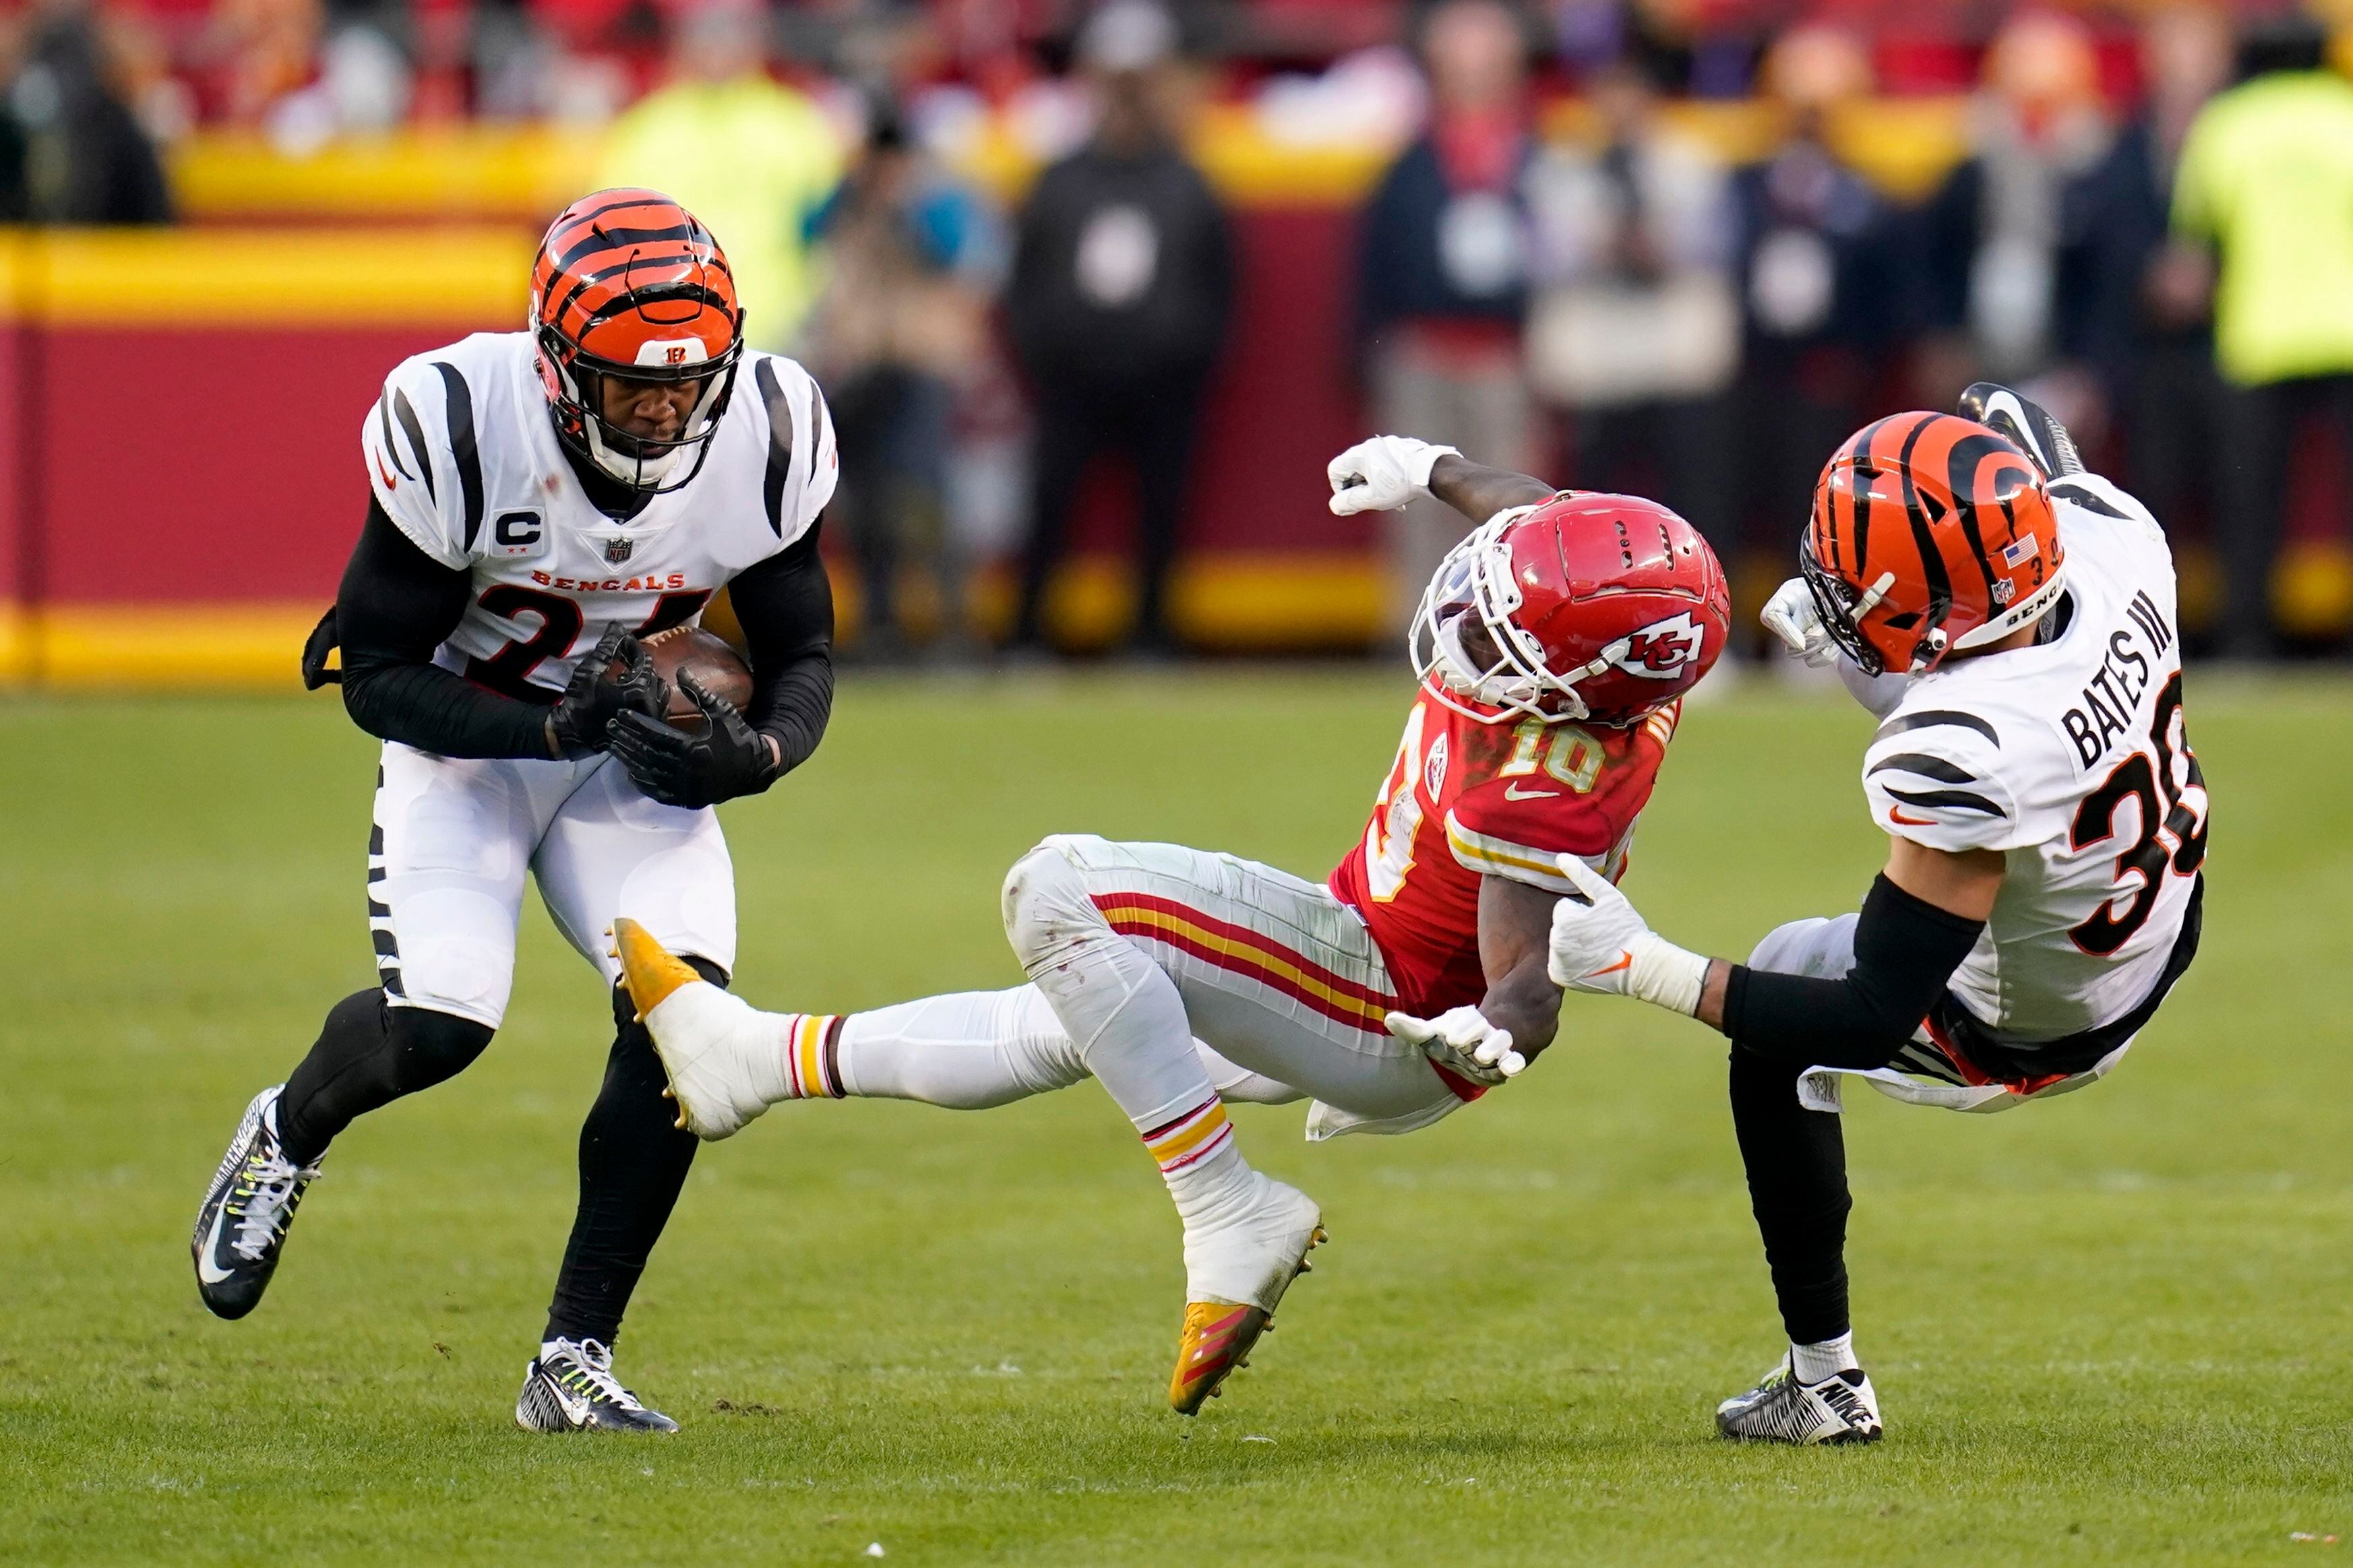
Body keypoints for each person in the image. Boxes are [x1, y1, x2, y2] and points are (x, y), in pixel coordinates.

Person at [609, 433, 1729, 1414]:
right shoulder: (1602, 621)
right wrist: (1432, 465)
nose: (1471, 632)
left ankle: (1228, 1206)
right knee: (1082, 1010)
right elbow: (1537, 518)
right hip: (1364, 939)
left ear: (1586, 687)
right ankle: (753, 1059)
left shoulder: (1544, 768)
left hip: (1389, 1005)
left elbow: (1528, 979)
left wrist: (1504, 1025)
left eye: (1505, 641)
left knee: (1059, 892)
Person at [189, 191, 841, 1435]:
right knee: (441, 1025)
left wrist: (755, 755)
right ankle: (285, 1128)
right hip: (472, 745)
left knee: (682, 1032)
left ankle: (571, 1358)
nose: (662, 408)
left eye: (687, 380)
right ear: (554, 366)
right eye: (627, 382)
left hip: (624, 762)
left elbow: (803, 650)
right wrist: (550, 727)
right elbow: (376, 675)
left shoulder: (764, 423)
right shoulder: (459, 421)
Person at [1542, 386, 2207, 1444]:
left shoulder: (1961, 752)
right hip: (2158, 921)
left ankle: (1822, 1383)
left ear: (1938, 609)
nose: (1831, 593)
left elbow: (1866, 1013)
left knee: (1776, 1010)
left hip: (2035, 1024)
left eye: (1856, 583)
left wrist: (1642, 964)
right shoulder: (2114, 543)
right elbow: (2032, 434)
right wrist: (1986, 421)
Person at [1001, 0, 1234, 657]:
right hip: (1071, 378)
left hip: (1162, 381)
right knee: (1049, 508)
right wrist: (1046, 353)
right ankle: (1028, 633)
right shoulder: (1060, 179)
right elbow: (1026, 278)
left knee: (1161, 512)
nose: (1127, 99)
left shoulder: (1186, 181)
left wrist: (1185, 355)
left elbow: (1218, 286)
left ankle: (1151, 634)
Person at [1354, 0, 1544, 635]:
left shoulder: (1532, 154)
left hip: (1500, 351)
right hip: (1422, 348)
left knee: (1509, 503)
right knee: (1412, 499)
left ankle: (1502, 630)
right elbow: (1376, 259)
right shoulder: (1410, 158)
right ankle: (1415, 628)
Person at [2170, 18, 2353, 657]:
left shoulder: (2227, 124)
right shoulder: (2344, 114)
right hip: (2344, 329)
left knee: (2250, 500)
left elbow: (2194, 240)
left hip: (2258, 333)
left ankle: (2248, 639)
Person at [804, 95, 1002, 660]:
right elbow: (808, 229)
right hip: (861, 362)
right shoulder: (850, 198)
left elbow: (961, 256)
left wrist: (909, 201)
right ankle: (880, 622)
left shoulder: (941, 197)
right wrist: (855, 188)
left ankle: (954, 627)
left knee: (925, 498)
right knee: (862, 501)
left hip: (922, 363)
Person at [1523, 55, 1739, 560]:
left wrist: (1663, 246)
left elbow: (1724, 247)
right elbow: (1538, 258)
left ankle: (1711, 612)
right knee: (1592, 510)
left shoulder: (1690, 163)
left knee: (1695, 500)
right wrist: (1595, 247)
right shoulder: (1561, 169)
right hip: (1600, 365)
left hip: (1676, 359)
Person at [2056, 4, 2233, 584]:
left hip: (2229, 342)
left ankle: (2245, 633)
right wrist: (2150, 275)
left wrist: (2213, 273)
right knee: (2148, 496)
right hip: (2146, 348)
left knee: (2241, 486)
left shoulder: (2242, 134)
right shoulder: (2123, 144)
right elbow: (2098, 247)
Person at [1728, 26, 1901, 618]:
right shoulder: (1741, 187)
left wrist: (1855, 362)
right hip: (1750, 369)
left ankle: (1817, 619)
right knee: (1737, 496)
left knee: (1825, 509)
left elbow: (1883, 295)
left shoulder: (1865, 198)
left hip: (1825, 375)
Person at [597, 0, 844, 353]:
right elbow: (613, 243)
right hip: (668, 334)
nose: (718, 45)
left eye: (730, 32)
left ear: (758, 40)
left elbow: (834, 234)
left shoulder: (799, 126)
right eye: (707, 32)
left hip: (787, 331)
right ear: (682, 41)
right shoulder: (641, 133)